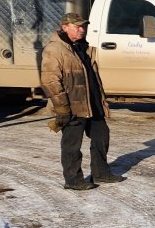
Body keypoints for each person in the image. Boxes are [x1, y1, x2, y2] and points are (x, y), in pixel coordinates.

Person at [40, 12, 125, 190]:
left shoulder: (82, 47)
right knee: (72, 144)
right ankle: (73, 180)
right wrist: (62, 108)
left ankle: (101, 173)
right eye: (77, 26)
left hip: (92, 103)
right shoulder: (55, 49)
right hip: (72, 105)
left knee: (101, 136)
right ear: (65, 27)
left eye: (83, 26)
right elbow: (50, 80)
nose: (81, 29)